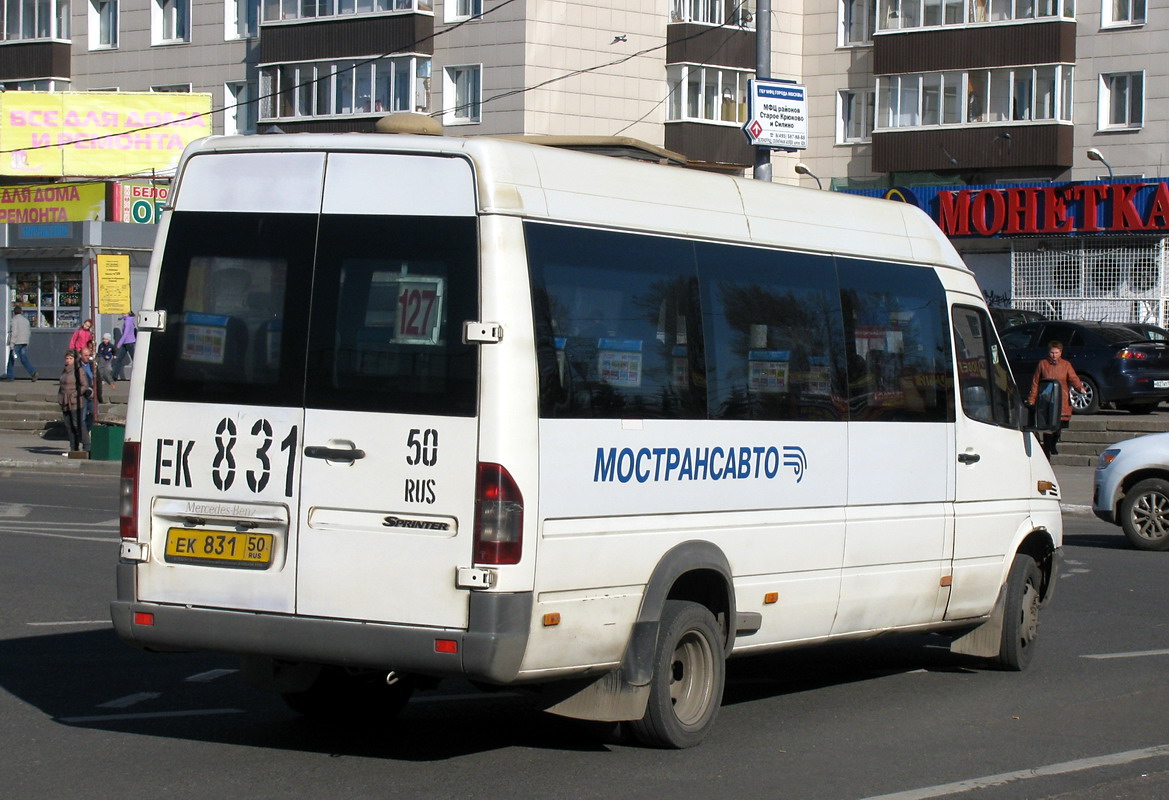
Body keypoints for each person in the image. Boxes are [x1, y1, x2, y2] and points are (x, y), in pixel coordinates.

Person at [1028, 339, 1084, 457]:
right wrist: (1032, 399)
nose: (1054, 355)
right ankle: (1047, 450)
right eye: (1052, 353)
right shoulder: (1042, 364)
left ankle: (1053, 443)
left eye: (1056, 353)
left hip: (1061, 399)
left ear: (1061, 352)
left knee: (1058, 427)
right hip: (1046, 400)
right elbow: (1036, 383)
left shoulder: (1066, 365)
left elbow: (1073, 378)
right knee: (1048, 427)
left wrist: (1080, 388)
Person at [58, 349, 91, 453]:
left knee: (78, 424)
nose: (68, 360)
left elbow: (85, 385)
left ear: (74, 359)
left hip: (76, 401)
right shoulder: (65, 370)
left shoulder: (78, 371)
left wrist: (75, 394)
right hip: (64, 401)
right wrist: (59, 397)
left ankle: (87, 446)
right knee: (69, 426)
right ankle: (73, 448)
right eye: (67, 358)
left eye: (70, 358)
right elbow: (62, 385)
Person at [5, 303, 38, 381]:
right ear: (21, 312)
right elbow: (28, 332)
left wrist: (12, 344)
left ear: (14, 312)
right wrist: (27, 342)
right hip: (24, 342)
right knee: (24, 359)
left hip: (17, 342)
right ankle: (32, 372)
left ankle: (10, 376)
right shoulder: (26, 320)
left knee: (11, 360)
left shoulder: (14, 320)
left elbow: (14, 332)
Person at [112, 311, 136, 382]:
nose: (122, 314)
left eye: (124, 313)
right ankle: (115, 376)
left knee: (134, 360)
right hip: (127, 343)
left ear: (128, 314)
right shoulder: (128, 320)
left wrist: (119, 343)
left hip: (129, 343)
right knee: (119, 360)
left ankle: (137, 375)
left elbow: (125, 334)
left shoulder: (127, 321)